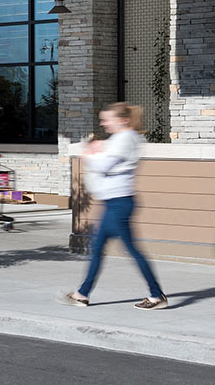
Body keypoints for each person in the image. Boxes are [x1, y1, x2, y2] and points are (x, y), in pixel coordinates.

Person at [61, 102, 167, 310]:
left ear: (123, 120)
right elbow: (106, 156)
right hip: (115, 203)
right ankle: (82, 294)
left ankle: (156, 295)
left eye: (106, 119)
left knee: (131, 251)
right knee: (99, 249)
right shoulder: (122, 138)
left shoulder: (125, 138)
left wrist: (88, 154)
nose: (103, 124)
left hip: (119, 204)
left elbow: (103, 164)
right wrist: (99, 148)